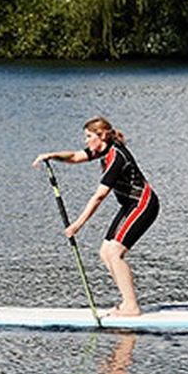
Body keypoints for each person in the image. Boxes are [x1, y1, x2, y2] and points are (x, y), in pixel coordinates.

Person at [32, 116, 158, 316]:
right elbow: (74, 156)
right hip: (129, 205)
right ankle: (127, 302)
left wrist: (77, 225)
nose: (86, 141)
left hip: (143, 205)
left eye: (89, 136)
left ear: (102, 136)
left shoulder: (117, 157)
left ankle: (131, 307)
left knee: (115, 253)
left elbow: (99, 196)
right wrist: (51, 155)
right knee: (105, 252)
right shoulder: (104, 150)